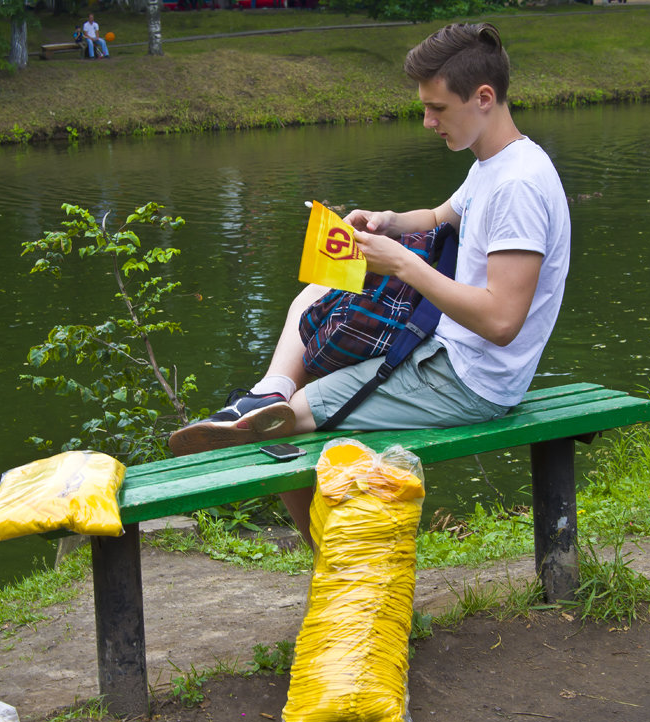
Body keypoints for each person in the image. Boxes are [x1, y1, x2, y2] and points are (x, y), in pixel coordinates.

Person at [168, 22, 571, 537]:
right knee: (318, 294)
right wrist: (389, 222)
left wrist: (402, 263)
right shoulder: (494, 164)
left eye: (438, 108)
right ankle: (269, 393)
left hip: (471, 381)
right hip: (440, 350)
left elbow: (501, 321)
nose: (427, 121)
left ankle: (341, 578)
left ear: (484, 97)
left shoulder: (518, 186)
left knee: (282, 430)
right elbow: (441, 214)